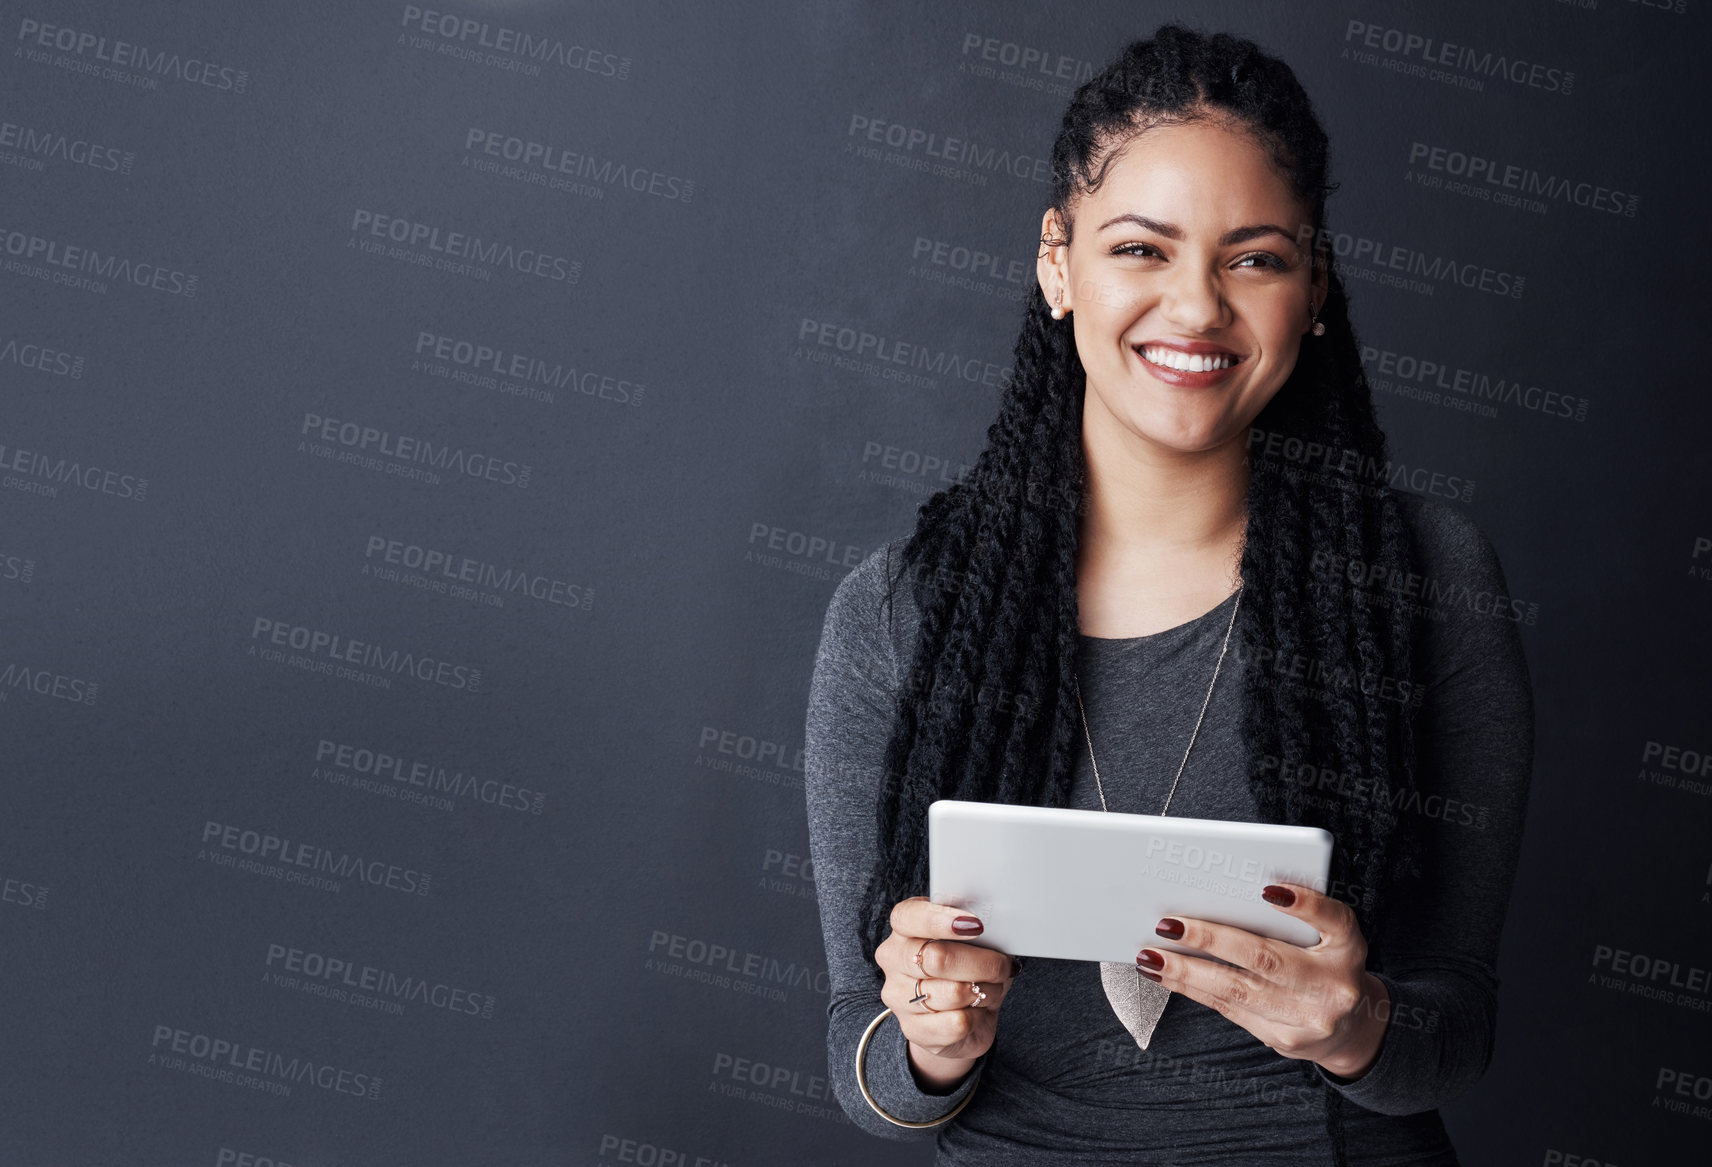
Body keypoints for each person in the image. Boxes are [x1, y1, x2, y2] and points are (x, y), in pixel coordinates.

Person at [802, 22, 1535, 1167]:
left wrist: (1359, 1027)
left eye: (1253, 258)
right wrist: (929, 1043)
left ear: (1314, 287)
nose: (1195, 309)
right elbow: (870, 1072)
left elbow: (1458, 1026)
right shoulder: (899, 612)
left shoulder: (1422, 583)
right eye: (1140, 249)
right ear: (1057, 262)